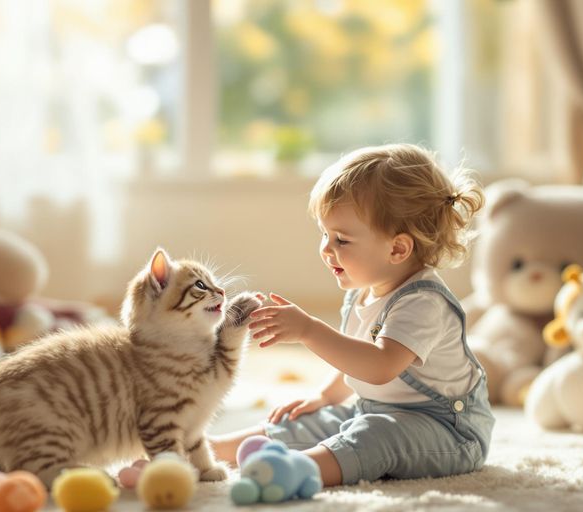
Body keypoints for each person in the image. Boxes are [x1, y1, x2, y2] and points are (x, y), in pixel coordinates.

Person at [212, 143, 494, 486]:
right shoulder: (364, 292)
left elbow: (378, 367)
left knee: (376, 435)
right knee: (323, 419)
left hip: (449, 432)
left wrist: (309, 331)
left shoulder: (424, 303)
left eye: (341, 240)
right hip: (379, 408)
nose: (326, 249)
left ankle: (299, 470)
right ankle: (212, 450)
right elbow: (353, 364)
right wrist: (326, 397)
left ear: (397, 248)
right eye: (324, 234)